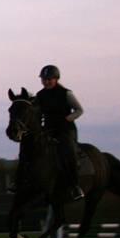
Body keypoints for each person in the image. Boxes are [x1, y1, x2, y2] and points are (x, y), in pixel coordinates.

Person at [36, 65, 85, 200]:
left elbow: (79, 110)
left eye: (49, 79)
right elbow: (38, 113)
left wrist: (67, 119)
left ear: (56, 79)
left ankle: (75, 186)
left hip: (65, 129)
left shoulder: (66, 93)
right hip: (48, 129)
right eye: (44, 79)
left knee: (69, 152)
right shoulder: (40, 95)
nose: (46, 82)